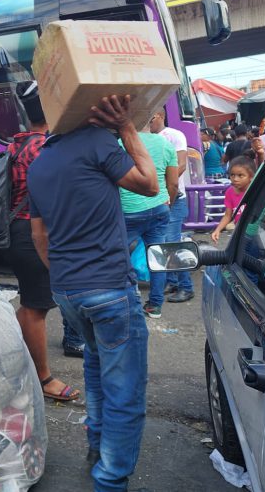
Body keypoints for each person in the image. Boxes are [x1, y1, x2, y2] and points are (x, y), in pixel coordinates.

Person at [28, 94, 157, 490]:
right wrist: (128, 129)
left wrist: (68, 275)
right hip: (109, 288)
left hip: (68, 290)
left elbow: (39, 236)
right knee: (125, 392)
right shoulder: (99, 143)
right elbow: (150, 184)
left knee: (97, 369)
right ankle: (110, 480)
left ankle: (96, 450)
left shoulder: (39, 163)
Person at [7, 80, 80, 402]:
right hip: (33, 233)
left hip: (17, 231)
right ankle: (43, 378)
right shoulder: (44, 147)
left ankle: (21, 363)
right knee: (37, 308)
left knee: (29, 304)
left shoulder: (17, 143)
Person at [120, 112, 178, 318]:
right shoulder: (166, 145)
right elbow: (173, 183)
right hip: (159, 208)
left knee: (119, 258)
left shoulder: (119, 144)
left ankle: (127, 301)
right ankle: (155, 306)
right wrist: (167, 203)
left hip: (129, 211)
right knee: (158, 258)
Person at [149, 109, 195, 303]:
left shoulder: (175, 135)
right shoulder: (144, 138)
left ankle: (186, 286)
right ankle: (172, 281)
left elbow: (181, 165)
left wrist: (163, 186)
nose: (148, 121)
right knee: (163, 244)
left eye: (150, 116)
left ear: (160, 114)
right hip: (156, 199)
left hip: (174, 197)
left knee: (173, 244)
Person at [211, 155, 256, 244]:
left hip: (254, 234)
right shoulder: (229, 192)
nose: (235, 179)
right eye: (232, 175)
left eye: (240, 175)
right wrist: (218, 230)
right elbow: (228, 215)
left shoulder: (255, 191)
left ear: (251, 177)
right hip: (239, 232)